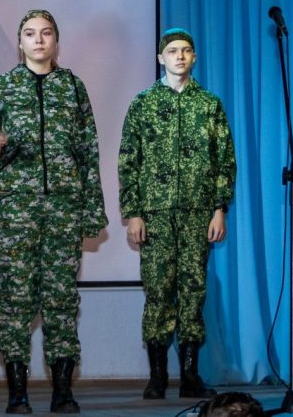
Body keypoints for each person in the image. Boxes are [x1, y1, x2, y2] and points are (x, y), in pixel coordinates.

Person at [0, 9, 107, 415]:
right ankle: (18, 393)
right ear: (19, 43)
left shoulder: (73, 87)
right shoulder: (5, 86)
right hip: (16, 212)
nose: (38, 40)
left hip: (64, 210)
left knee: (61, 299)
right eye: (30, 33)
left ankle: (62, 391)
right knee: (15, 300)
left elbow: (89, 151)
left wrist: (92, 210)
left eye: (46, 33)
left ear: (56, 40)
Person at [118, 28, 236, 400]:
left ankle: (189, 375)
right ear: (160, 58)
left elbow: (224, 162)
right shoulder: (143, 103)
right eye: (172, 51)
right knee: (158, 292)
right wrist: (133, 213)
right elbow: (128, 161)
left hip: (197, 214)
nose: (179, 57)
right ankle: (157, 376)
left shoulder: (210, 104)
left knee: (193, 292)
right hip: (155, 214)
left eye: (186, 50)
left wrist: (219, 209)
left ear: (194, 57)